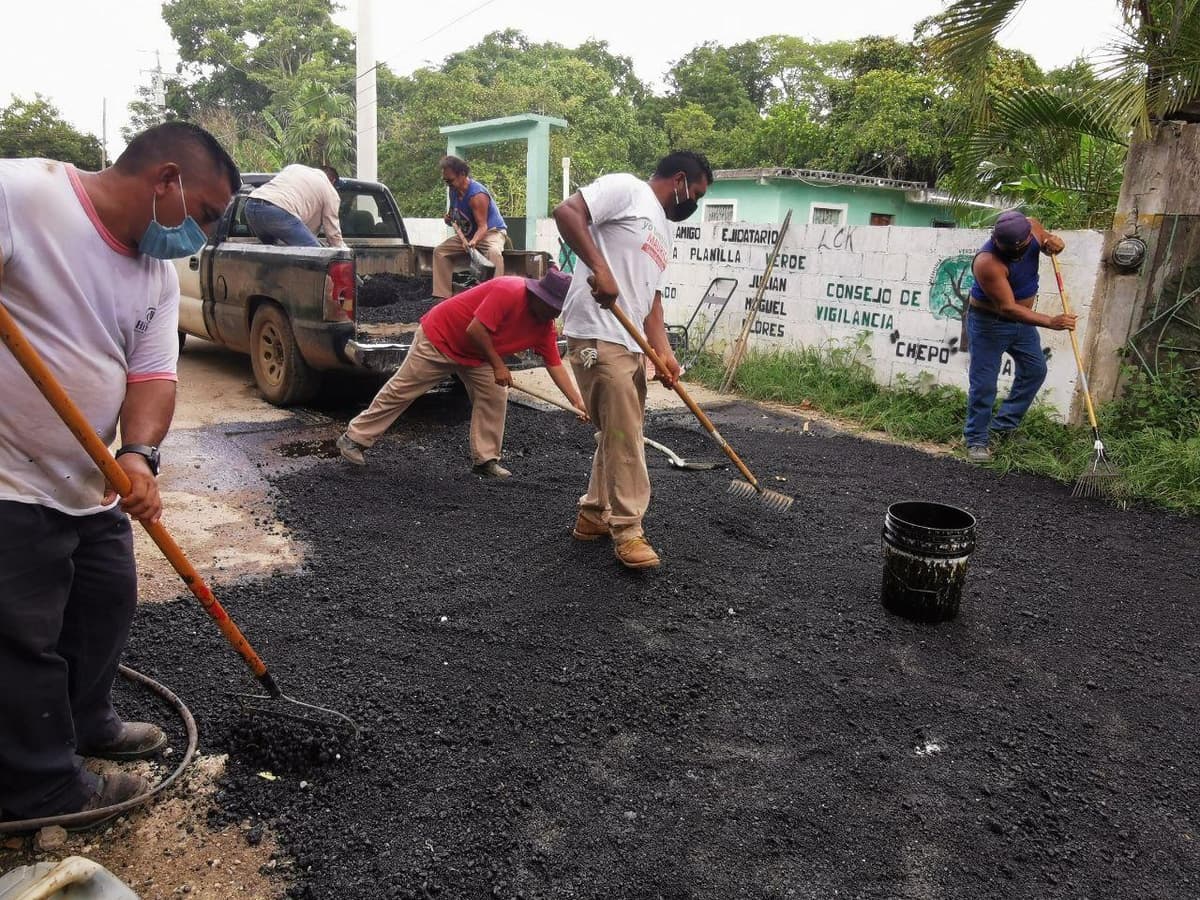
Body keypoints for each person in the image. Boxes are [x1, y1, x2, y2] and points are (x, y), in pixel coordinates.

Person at [0, 122, 240, 821]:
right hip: (8, 479)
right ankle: (35, 784)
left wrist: (138, 455)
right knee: (19, 635)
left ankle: (84, 719)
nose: (198, 235)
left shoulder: (156, 276)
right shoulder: (22, 196)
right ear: (165, 180)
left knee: (106, 599)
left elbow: (154, 375)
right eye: (201, 214)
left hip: (90, 476)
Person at [553, 150, 712, 571]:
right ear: (680, 180)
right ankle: (628, 529)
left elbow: (650, 299)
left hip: (630, 340)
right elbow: (567, 211)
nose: (694, 203)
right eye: (695, 193)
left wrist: (663, 352)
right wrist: (600, 269)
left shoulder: (664, 230)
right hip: (597, 330)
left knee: (621, 430)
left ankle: (592, 515)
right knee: (624, 433)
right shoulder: (627, 189)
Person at [336, 270, 585, 476]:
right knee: (402, 389)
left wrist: (576, 401)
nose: (554, 313)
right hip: (441, 339)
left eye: (558, 309)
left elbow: (554, 364)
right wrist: (498, 365)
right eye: (552, 306)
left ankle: (485, 461)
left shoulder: (544, 327)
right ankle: (354, 438)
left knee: (494, 397)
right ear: (537, 295)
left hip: (477, 356)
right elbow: (475, 330)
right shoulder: (510, 291)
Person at [964, 209, 1074, 462]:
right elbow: (1008, 307)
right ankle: (977, 439)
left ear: (1027, 235)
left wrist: (1053, 244)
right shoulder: (987, 262)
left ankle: (1003, 427)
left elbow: (1048, 244)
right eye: (1008, 248)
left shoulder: (1032, 226)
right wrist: (1051, 321)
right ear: (996, 239)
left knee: (1035, 370)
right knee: (984, 383)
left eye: (1021, 247)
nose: (1015, 253)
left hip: (1023, 322)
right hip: (990, 324)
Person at [433, 155, 507, 299]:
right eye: (445, 181)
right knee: (440, 252)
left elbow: (483, 226)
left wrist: (473, 242)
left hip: (491, 232)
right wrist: (448, 219)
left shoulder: (477, 195)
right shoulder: (453, 191)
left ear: (462, 174)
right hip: (468, 235)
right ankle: (442, 296)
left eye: (450, 180)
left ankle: (495, 297)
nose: (448, 184)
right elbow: (453, 216)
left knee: (493, 253)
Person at [244, 163, 345, 248]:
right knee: (317, 256)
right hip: (278, 211)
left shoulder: (294, 168)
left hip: (251, 205)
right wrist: (344, 253)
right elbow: (333, 235)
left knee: (273, 255)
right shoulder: (329, 191)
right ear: (333, 181)